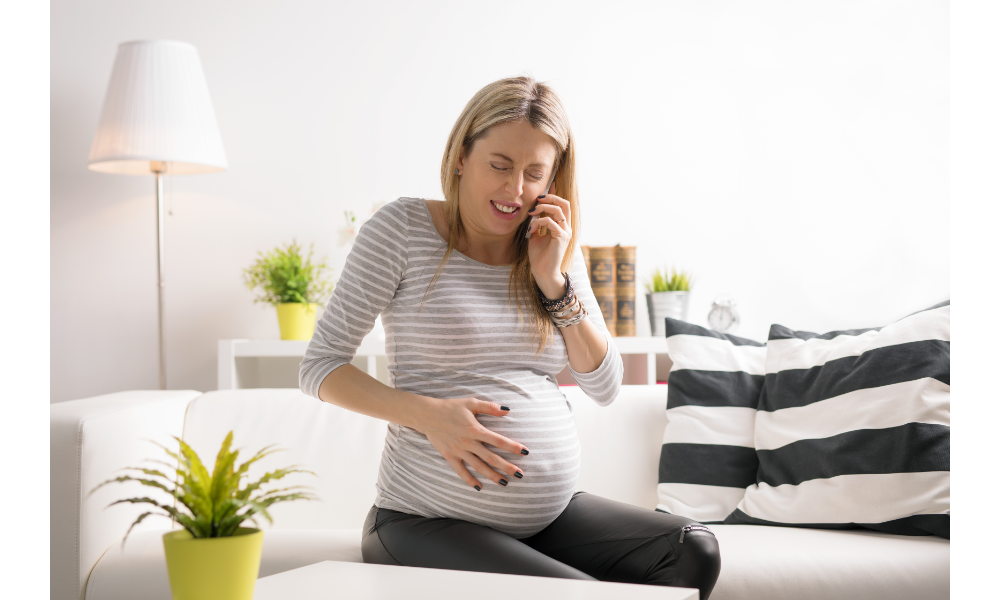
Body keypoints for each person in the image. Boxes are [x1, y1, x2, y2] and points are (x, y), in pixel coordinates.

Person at [299, 76, 721, 598]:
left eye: (534, 174)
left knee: (692, 550)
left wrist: (553, 282)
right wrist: (428, 415)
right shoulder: (401, 229)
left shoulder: (556, 251)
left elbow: (606, 384)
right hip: (421, 522)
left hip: (548, 519)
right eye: (499, 166)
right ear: (461, 157)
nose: (515, 190)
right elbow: (319, 366)